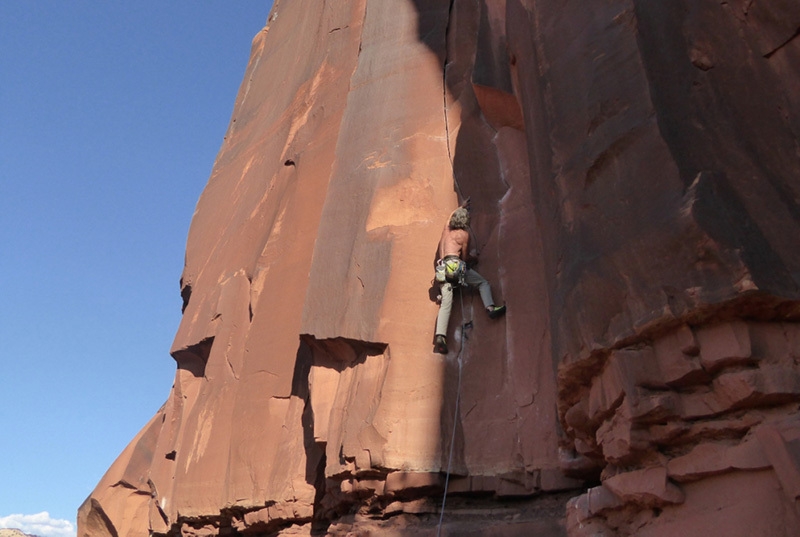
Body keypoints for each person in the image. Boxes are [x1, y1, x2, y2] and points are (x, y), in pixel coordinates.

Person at [433, 200, 505, 354]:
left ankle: (440, 337)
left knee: (446, 303)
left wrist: (460, 207)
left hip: (442, 270)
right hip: (456, 267)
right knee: (482, 283)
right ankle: (490, 307)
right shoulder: (464, 235)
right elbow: (464, 257)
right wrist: (474, 258)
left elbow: (447, 220)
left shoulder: (446, 232)